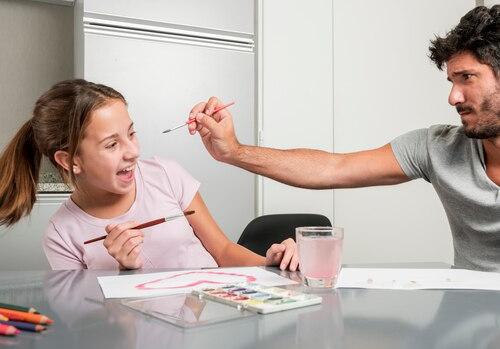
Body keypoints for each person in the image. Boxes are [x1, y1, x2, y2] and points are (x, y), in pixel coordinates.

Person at [186, 4, 500, 319]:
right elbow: (334, 168)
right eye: (451, 80)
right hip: (463, 334)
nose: (453, 96)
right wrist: (234, 151)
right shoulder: (438, 146)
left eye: (466, 79)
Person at [0, 79, 298, 271]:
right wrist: (125, 272)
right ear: (70, 160)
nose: (133, 151)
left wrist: (271, 265)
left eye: (132, 134)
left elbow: (223, 251)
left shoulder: (165, 174)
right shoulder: (62, 234)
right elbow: (90, 329)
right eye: (112, 144)